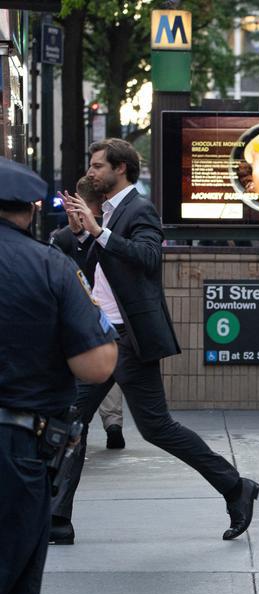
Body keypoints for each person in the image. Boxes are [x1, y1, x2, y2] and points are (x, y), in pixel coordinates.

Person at [51, 138, 259, 546]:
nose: (91, 173)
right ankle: (58, 519)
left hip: (129, 338)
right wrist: (81, 237)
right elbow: (90, 274)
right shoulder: (107, 213)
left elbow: (148, 259)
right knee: (71, 422)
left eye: (97, 167)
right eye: (91, 166)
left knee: (157, 428)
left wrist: (100, 232)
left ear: (121, 169)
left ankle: (235, 486)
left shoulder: (138, 209)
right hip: (99, 335)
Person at [0, 157, 117, 594]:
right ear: (29, 210)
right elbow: (96, 365)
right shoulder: (49, 265)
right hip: (15, 449)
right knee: (12, 589)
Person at [52, 177, 128, 451]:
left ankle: (104, 427)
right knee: (106, 373)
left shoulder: (96, 234)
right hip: (102, 318)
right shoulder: (85, 235)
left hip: (87, 316)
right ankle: (113, 423)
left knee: (94, 378)